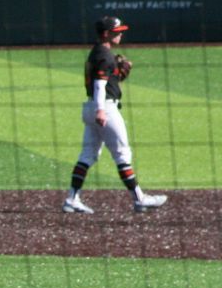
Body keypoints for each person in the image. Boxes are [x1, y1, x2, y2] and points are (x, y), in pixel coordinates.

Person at [62, 16, 167, 214]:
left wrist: (116, 76)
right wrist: (101, 110)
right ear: (106, 34)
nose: (121, 34)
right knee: (122, 154)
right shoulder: (105, 55)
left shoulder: (97, 52)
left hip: (90, 107)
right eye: (116, 31)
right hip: (105, 109)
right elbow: (99, 85)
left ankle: (72, 199)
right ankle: (140, 199)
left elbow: (103, 82)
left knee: (87, 155)